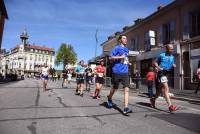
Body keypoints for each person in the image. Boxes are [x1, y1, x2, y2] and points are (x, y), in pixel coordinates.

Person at [106, 35, 132, 115]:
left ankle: (125, 108)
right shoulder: (116, 48)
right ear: (120, 40)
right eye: (124, 38)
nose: (126, 39)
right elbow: (110, 58)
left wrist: (128, 62)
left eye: (126, 38)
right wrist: (120, 56)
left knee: (126, 89)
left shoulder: (127, 49)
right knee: (115, 88)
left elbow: (125, 59)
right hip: (117, 71)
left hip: (125, 71)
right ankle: (109, 97)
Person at [152, 44, 177, 112]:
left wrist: (173, 65)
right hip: (161, 73)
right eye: (170, 49)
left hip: (167, 73)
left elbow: (171, 64)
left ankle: (153, 99)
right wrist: (158, 67)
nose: (172, 50)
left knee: (160, 89)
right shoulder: (162, 55)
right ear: (167, 49)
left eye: (172, 49)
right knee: (166, 87)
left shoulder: (172, 56)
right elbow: (155, 62)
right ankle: (170, 106)